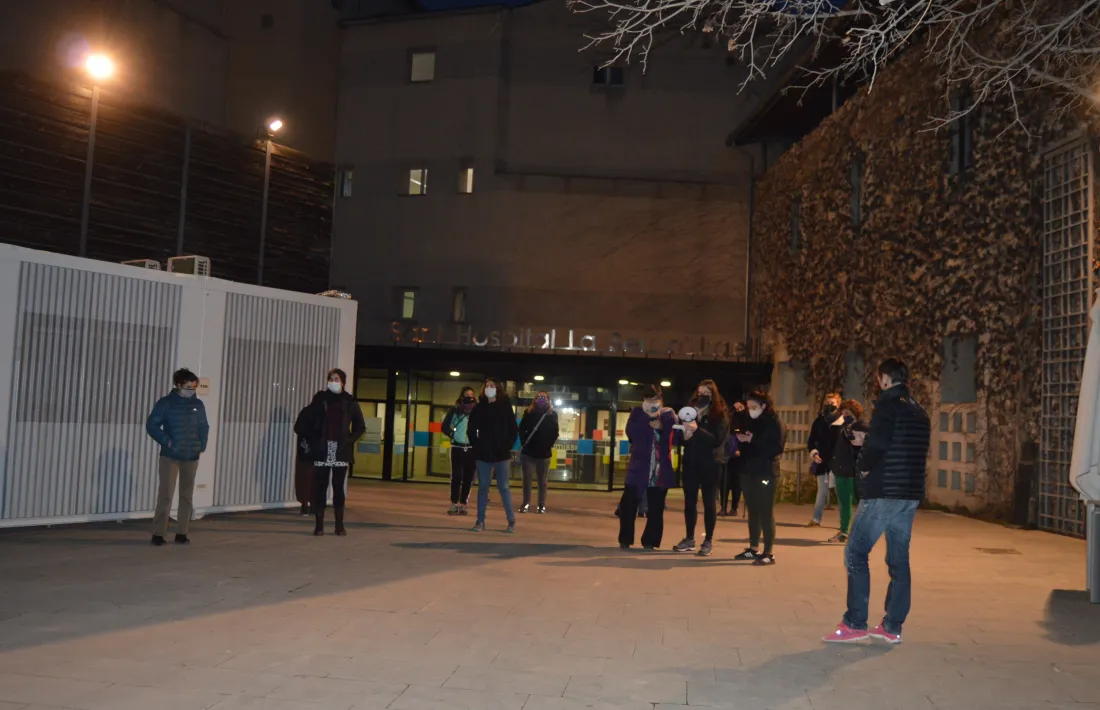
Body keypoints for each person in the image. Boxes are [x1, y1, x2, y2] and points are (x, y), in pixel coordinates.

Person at [824, 359, 931, 644]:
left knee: (856, 553)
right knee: (898, 560)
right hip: (908, 493)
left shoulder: (887, 405)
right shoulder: (919, 411)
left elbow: (881, 444)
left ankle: (855, 622)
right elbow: (898, 443)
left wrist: (864, 462)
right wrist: (869, 439)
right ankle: (892, 626)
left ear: (884, 379)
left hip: (884, 490)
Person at [295, 369, 366, 537]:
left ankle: (339, 525)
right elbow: (308, 421)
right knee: (320, 487)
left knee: (338, 487)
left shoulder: (350, 401)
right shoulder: (320, 399)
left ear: (343, 382)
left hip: (340, 450)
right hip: (322, 449)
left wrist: (348, 440)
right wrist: (314, 439)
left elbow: (360, 427)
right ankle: (319, 525)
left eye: (336, 379)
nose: (333, 381)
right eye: (331, 379)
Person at [146, 368, 209, 546]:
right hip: (170, 456)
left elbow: (204, 426)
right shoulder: (166, 403)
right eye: (188, 387)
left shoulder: (198, 405)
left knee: (186, 496)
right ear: (179, 385)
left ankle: (182, 532)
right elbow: (152, 425)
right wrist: (167, 441)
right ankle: (158, 533)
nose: (192, 391)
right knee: (166, 494)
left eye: (194, 388)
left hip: (191, 456)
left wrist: (201, 444)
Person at [673, 380, 730, 557]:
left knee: (709, 502)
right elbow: (680, 440)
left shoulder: (720, 415)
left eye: (707, 393)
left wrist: (697, 430)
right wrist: (684, 435)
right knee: (689, 501)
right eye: (700, 392)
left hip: (711, 464)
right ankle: (689, 538)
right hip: (691, 462)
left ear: (714, 395)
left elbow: (717, 440)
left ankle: (708, 541)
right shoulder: (689, 412)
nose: (702, 396)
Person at [619, 384, 678, 550]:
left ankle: (650, 541)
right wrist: (647, 417)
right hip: (638, 468)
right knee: (628, 505)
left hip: (659, 469)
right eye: (647, 399)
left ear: (661, 398)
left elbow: (676, 438)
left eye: (654, 398)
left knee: (656, 508)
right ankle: (625, 538)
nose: (651, 402)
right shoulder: (637, 413)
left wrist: (662, 427)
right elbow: (631, 433)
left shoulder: (668, 414)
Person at [734, 390, 786, 565]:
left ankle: (768, 552)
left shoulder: (774, 422)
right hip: (748, 470)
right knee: (752, 510)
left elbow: (777, 447)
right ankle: (753, 548)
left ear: (764, 406)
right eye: (748, 407)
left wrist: (753, 440)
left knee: (765, 511)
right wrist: (742, 440)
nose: (750, 410)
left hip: (766, 471)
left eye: (754, 407)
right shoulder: (749, 419)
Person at [469, 378, 519, 532]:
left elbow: (513, 428)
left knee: (503, 487)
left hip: (501, 454)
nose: (489, 388)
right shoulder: (479, 407)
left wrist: (507, 445)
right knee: (483, 487)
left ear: (498, 389)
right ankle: (480, 521)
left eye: (492, 386)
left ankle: (511, 521)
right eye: (487, 386)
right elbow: (471, 430)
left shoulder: (505, 406)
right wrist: (477, 446)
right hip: (483, 455)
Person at [826, 399, 867, 543]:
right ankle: (844, 531)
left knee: (858, 502)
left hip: (852, 469)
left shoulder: (861, 426)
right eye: (843, 412)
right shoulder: (843, 425)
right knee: (844, 502)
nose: (844, 415)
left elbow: (864, 446)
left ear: (855, 413)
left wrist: (856, 439)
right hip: (840, 467)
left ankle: (854, 533)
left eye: (848, 412)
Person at [518, 391, 560, 514]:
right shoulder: (529, 412)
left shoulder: (552, 414)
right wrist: (524, 442)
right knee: (527, 480)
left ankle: (541, 505)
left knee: (542, 481)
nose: (541, 399)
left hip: (544, 453)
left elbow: (555, 432)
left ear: (548, 399)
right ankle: (526, 503)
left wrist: (547, 446)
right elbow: (522, 429)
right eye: (539, 397)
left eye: (544, 397)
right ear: (535, 399)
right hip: (528, 452)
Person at [807, 392, 844, 527]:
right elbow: (811, 440)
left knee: (840, 493)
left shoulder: (843, 421)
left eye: (832, 403)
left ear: (838, 404)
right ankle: (816, 519)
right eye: (827, 403)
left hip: (838, 462)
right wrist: (814, 453)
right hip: (822, 462)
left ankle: (843, 522)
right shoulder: (819, 421)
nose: (829, 405)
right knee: (822, 491)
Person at [442, 387, 478, 515]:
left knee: (468, 477)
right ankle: (453, 503)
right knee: (456, 476)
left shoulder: (477, 411)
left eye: (471, 394)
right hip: (457, 447)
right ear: (462, 396)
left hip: (471, 448)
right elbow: (444, 426)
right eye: (466, 394)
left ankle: (463, 504)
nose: (469, 396)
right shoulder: (455, 411)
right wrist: (452, 434)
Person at [720, 400, 748, 516]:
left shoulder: (746, 420)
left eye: (740, 407)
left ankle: (734, 508)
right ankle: (723, 507)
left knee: (736, 483)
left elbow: (747, 436)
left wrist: (740, 449)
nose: (738, 410)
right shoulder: (729, 419)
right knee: (724, 482)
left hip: (739, 457)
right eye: (735, 408)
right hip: (727, 456)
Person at [294, 404, 314, 516]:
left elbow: (297, 428)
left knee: (303, 479)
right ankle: (309, 504)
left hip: (304, 451)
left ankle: (305, 504)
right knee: (312, 479)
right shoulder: (320, 413)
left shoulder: (306, 411)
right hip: (314, 453)